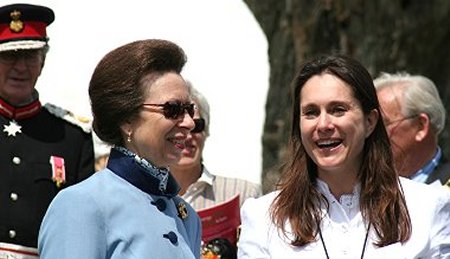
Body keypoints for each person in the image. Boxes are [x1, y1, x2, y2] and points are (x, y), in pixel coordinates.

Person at [237, 55, 450, 258]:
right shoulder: (262, 218)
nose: (323, 125)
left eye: (338, 110)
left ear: (370, 121)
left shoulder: (428, 207)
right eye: (311, 112)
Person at [38, 39, 201, 258]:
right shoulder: (81, 205)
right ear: (126, 120)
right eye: (172, 109)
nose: (189, 122)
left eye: (189, 109)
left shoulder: (187, 217)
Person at [0, 3, 95, 257]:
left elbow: (83, 223)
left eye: (30, 56)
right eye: (10, 55)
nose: (20, 67)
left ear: (42, 63)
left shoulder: (72, 136)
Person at [171, 81, 262, 209]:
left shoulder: (245, 195)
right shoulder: (143, 197)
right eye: (179, 128)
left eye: (197, 126)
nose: (188, 136)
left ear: (206, 131)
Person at [374, 72, 450, 186]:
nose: (371, 133)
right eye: (370, 123)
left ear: (421, 126)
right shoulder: (361, 186)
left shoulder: (444, 189)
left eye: (382, 124)